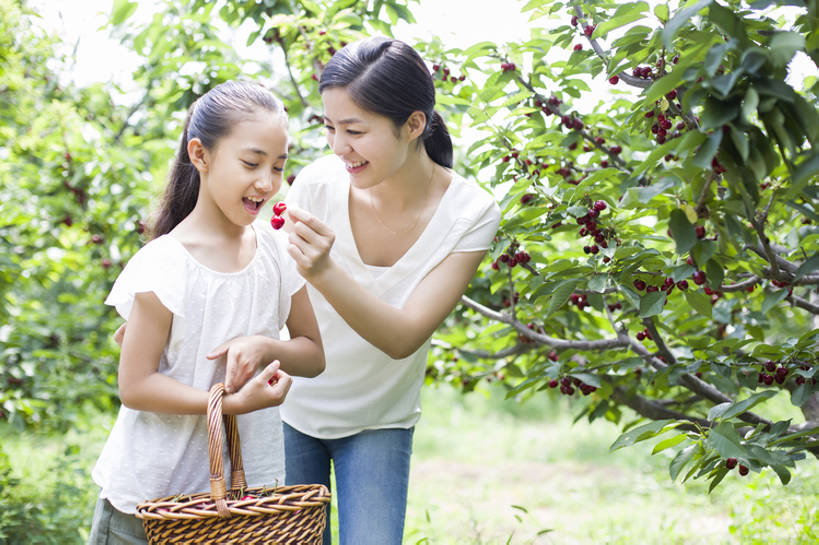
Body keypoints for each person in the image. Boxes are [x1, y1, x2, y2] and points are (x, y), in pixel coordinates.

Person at [220, 37, 501, 544]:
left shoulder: (470, 212)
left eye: (354, 130)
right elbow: (267, 288)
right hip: (289, 408)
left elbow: (403, 338)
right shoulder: (317, 185)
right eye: (329, 127)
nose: (337, 146)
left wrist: (325, 271)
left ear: (414, 125)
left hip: (379, 421)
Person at [87, 80, 325, 545]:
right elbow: (135, 386)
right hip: (150, 503)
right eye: (252, 163)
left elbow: (313, 353)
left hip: (242, 507)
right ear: (201, 154)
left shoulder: (276, 253)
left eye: (278, 166)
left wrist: (263, 346)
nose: (267, 183)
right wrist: (229, 405)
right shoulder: (165, 263)